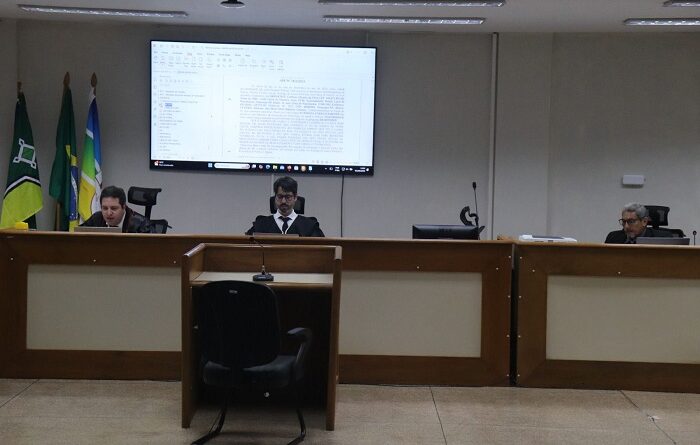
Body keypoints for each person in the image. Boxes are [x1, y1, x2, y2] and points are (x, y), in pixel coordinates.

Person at [246, 176, 324, 237]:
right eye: (280, 197)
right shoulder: (260, 225)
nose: (283, 201)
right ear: (275, 197)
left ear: (295, 197)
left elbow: (321, 248)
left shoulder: (310, 226)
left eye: (288, 197)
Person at [81, 185, 152, 233]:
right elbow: (78, 237)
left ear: (124, 207)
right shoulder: (96, 219)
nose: (109, 213)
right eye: (105, 208)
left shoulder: (142, 224)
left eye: (114, 208)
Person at [604, 202, 670, 244]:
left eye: (631, 221)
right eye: (624, 221)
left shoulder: (664, 238)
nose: (626, 226)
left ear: (644, 221)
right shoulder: (613, 237)